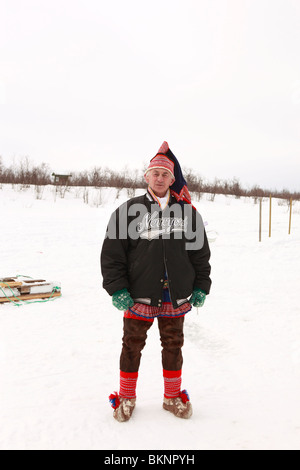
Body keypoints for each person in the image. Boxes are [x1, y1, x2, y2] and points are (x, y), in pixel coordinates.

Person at [100, 142, 211, 422]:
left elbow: (200, 253)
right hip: (139, 294)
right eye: (155, 173)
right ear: (146, 177)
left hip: (176, 293)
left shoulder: (188, 213)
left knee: (173, 344)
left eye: (165, 174)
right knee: (132, 344)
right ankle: (126, 398)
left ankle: (172, 397)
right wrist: (117, 289)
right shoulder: (127, 211)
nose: (160, 178)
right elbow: (112, 255)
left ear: (173, 180)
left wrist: (201, 285)